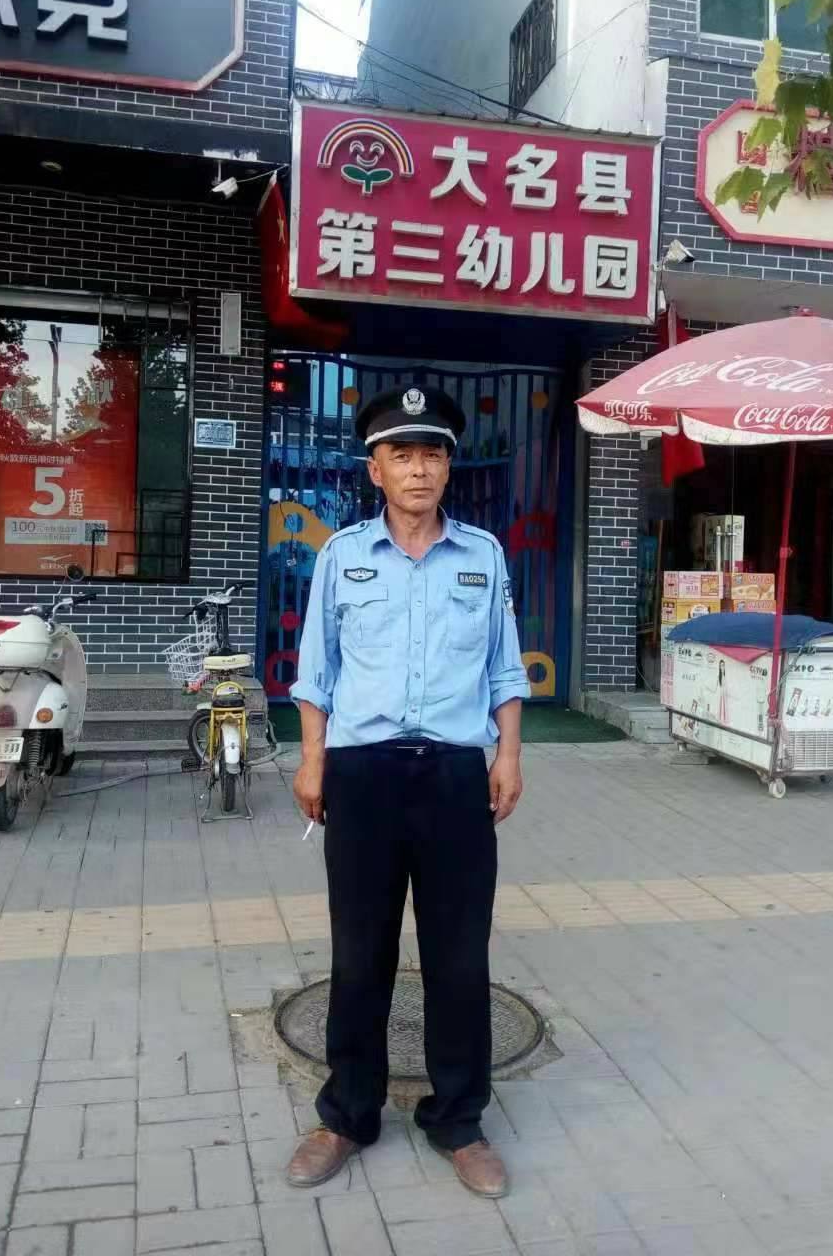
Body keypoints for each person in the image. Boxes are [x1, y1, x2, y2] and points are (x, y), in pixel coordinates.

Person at [286, 384, 531, 1199]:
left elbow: (504, 666)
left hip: (456, 774)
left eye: (433, 454)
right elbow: (316, 670)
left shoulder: (482, 556)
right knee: (360, 952)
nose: (419, 469)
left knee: (459, 955)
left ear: (449, 468)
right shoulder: (342, 555)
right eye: (402, 454)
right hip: (363, 773)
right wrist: (313, 760)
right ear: (375, 469)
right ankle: (346, 1115)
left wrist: (508, 755)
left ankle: (458, 1120)